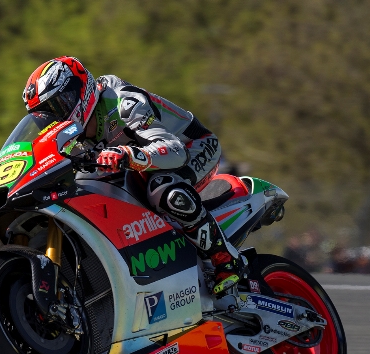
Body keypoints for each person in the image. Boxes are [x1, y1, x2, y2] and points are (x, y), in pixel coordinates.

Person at [22, 56, 246, 294]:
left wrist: (128, 155)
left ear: (79, 90)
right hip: (145, 163)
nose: (55, 119)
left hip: (193, 146)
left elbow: (174, 151)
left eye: (58, 106)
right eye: (45, 115)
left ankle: (225, 259)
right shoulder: (69, 137)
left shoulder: (123, 101)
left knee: (163, 190)